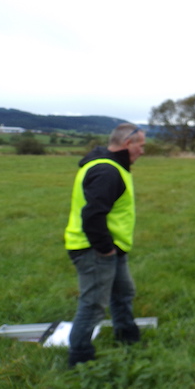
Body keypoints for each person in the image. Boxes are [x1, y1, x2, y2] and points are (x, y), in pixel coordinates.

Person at [63, 123, 146, 367]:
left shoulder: (112, 166)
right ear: (128, 143)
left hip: (110, 247)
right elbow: (92, 216)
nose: (142, 151)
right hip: (95, 249)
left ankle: (127, 336)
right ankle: (80, 358)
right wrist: (105, 249)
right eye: (141, 146)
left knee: (123, 292)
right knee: (93, 305)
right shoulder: (107, 171)